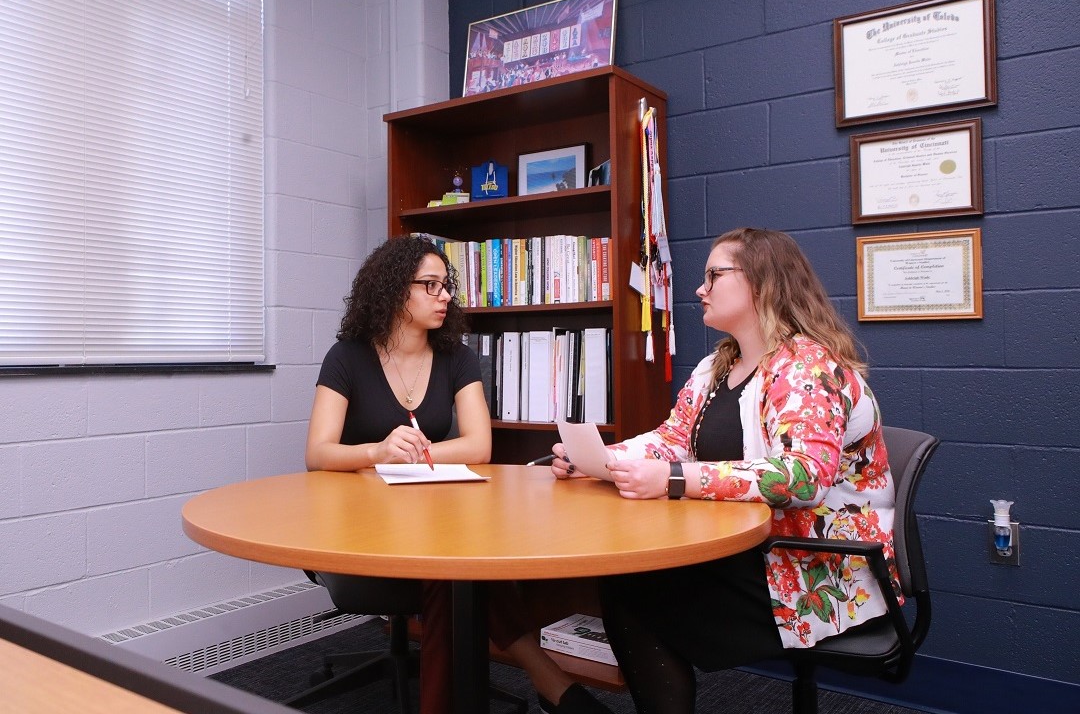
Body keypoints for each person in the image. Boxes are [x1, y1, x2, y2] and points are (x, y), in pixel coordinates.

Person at [550, 227, 895, 714]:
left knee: (635, 588)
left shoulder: (808, 366)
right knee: (630, 579)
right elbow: (672, 439)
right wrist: (602, 458)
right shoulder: (718, 366)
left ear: (762, 283)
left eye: (714, 275)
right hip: (756, 548)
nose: (700, 289)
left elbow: (802, 476)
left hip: (813, 566)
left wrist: (675, 479)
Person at [306, 235, 610, 714]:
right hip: (358, 526)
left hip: (432, 518)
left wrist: (418, 454)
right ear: (391, 290)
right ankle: (551, 682)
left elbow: (479, 445)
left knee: (455, 563)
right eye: (430, 285)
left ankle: (532, 687)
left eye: (446, 286)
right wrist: (380, 450)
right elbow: (318, 452)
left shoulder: (456, 356)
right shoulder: (347, 357)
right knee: (454, 572)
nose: (444, 295)